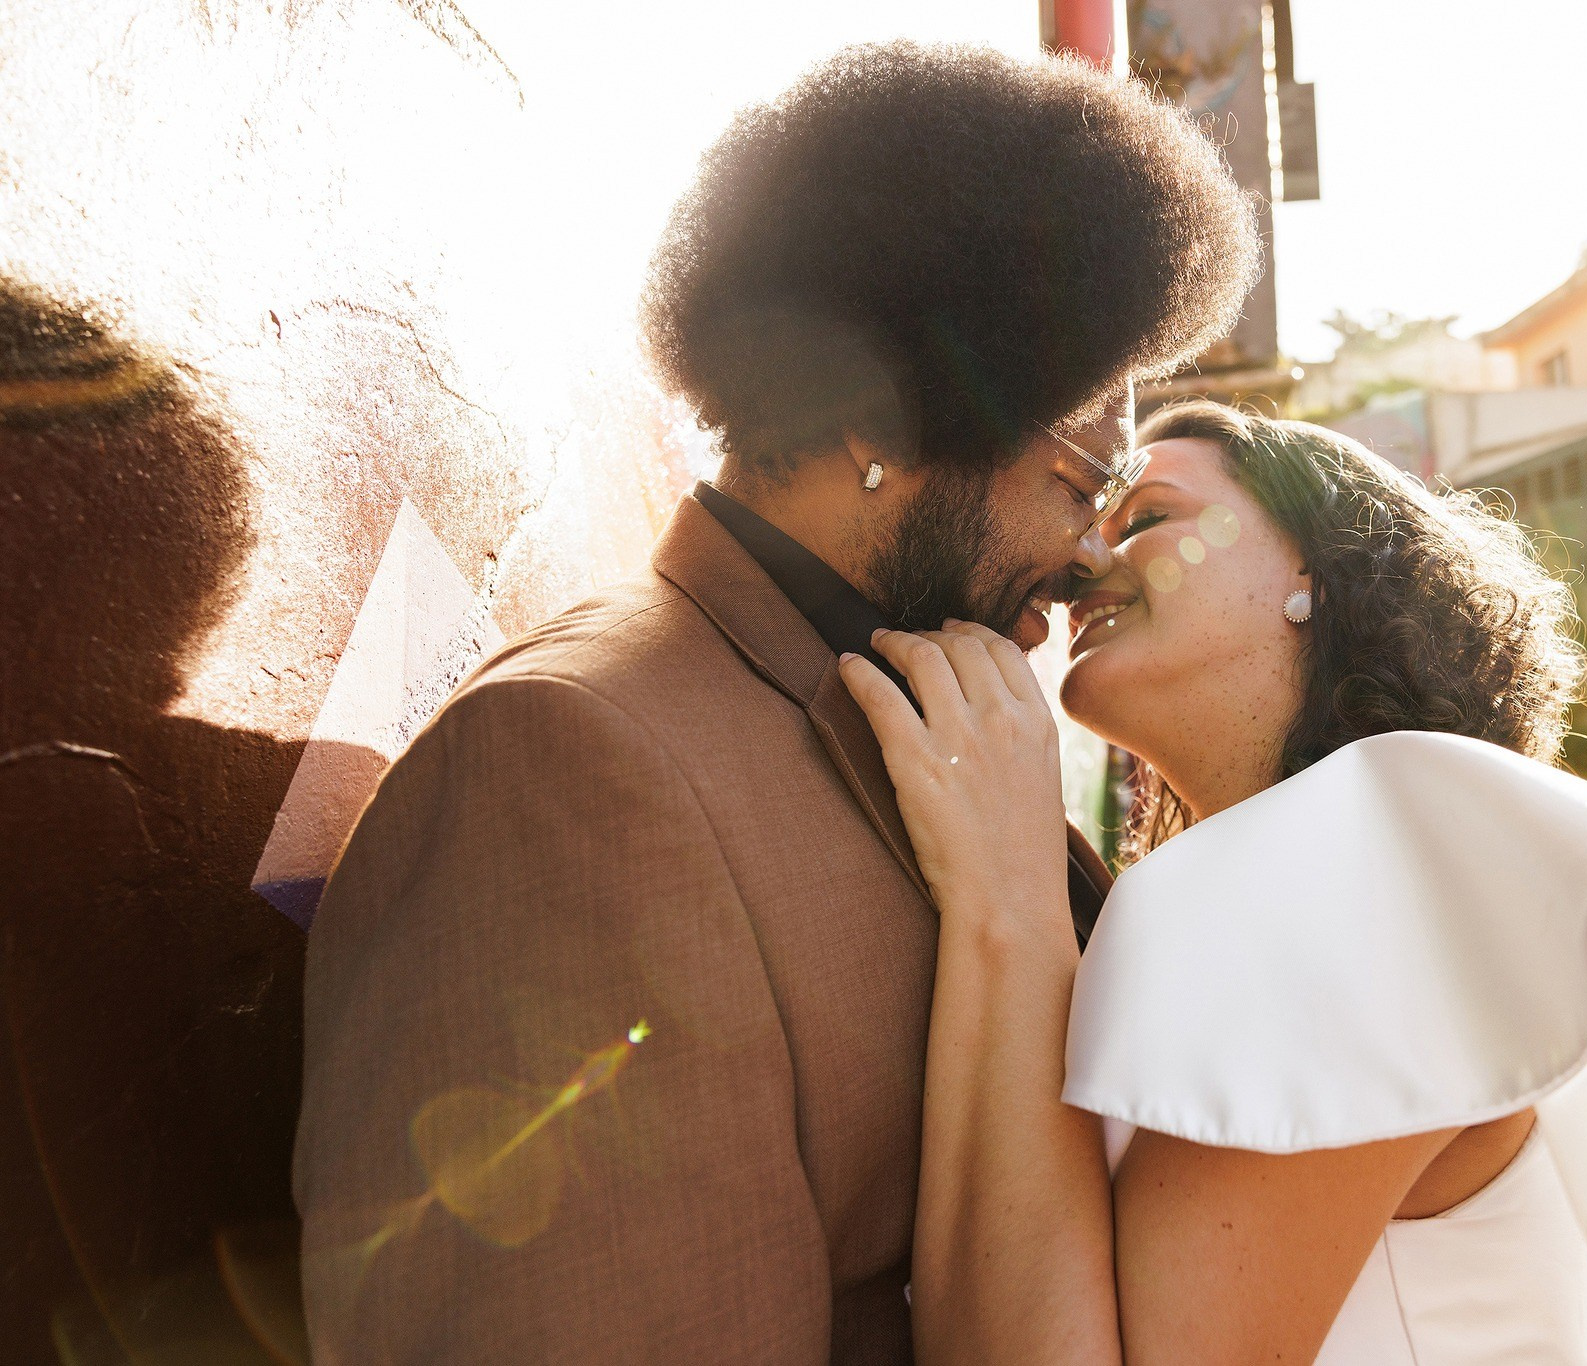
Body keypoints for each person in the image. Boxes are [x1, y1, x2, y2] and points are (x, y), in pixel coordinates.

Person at [293, 44, 1258, 1364]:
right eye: (1083, 479)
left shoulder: (931, 705)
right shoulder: (569, 769)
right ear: (884, 421)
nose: (1093, 550)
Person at [839, 401, 1587, 1364]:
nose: (1084, 559)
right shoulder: (1312, 867)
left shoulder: (1364, 859)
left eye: (1148, 518)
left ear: (1318, 571)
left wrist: (1008, 895)